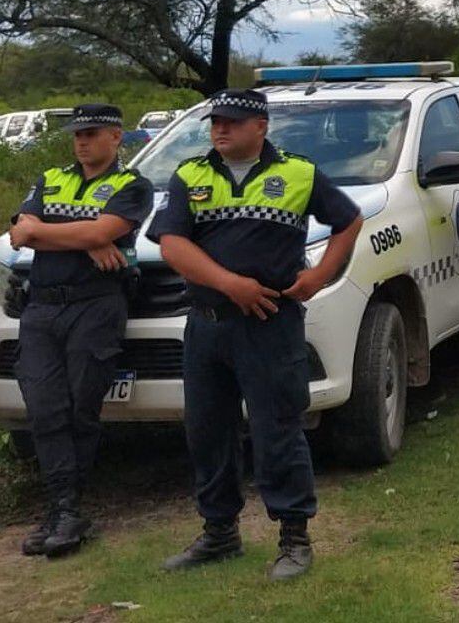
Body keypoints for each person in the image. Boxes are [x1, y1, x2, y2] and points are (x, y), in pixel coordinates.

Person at [151, 89, 364, 579]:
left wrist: (319, 277)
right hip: (207, 325)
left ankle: (294, 538)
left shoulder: (298, 172)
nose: (220, 129)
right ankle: (219, 533)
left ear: (261, 127)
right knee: (207, 431)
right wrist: (230, 285)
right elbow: (172, 244)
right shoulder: (192, 174)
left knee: (277, 430)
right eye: (215, 122)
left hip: (270, 326)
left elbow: (348, 221)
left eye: (231, 122)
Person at [5, 104, 154, 557]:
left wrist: (61, 233)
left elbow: (98, 231)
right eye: (77, 134)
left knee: (80, 408)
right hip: (43, 308)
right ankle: (60, 508)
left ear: (116, 137)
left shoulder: (133, 185)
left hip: (96, 306)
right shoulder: (51, 178)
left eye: (91, 133)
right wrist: (86, 237)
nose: (82, 141)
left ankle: (69, 510)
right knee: (44, 410)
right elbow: (17, 232)